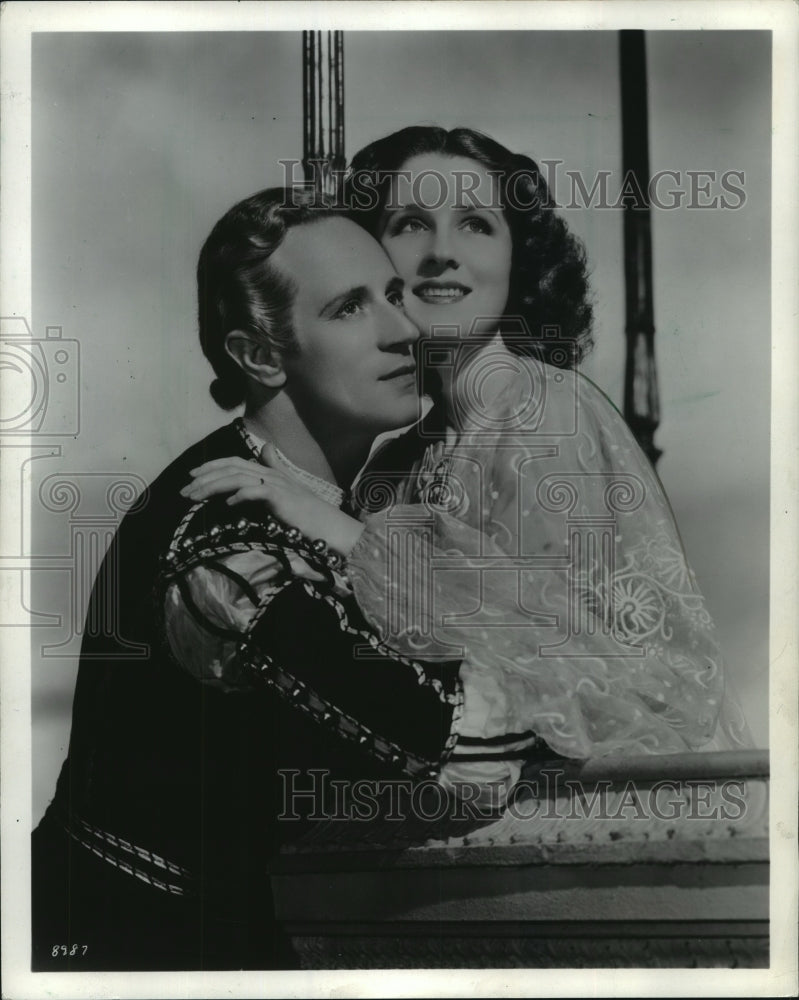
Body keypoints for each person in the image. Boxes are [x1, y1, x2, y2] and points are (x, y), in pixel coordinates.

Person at [31, 187, 533, 973]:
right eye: (348, 309)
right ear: (261, 356)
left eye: (395, 296)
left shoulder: (306, 501)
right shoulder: (231, 546)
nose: (404, 331)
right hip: (133, 952)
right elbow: (466, 757)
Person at [188, 127, 751, 778]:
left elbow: (590, 670)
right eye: (408, 225)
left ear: (519, 258)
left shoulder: (549, 413)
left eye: (477, 225)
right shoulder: (394, 463)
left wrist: (344, 536)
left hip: (604, 808)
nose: (441, 255)